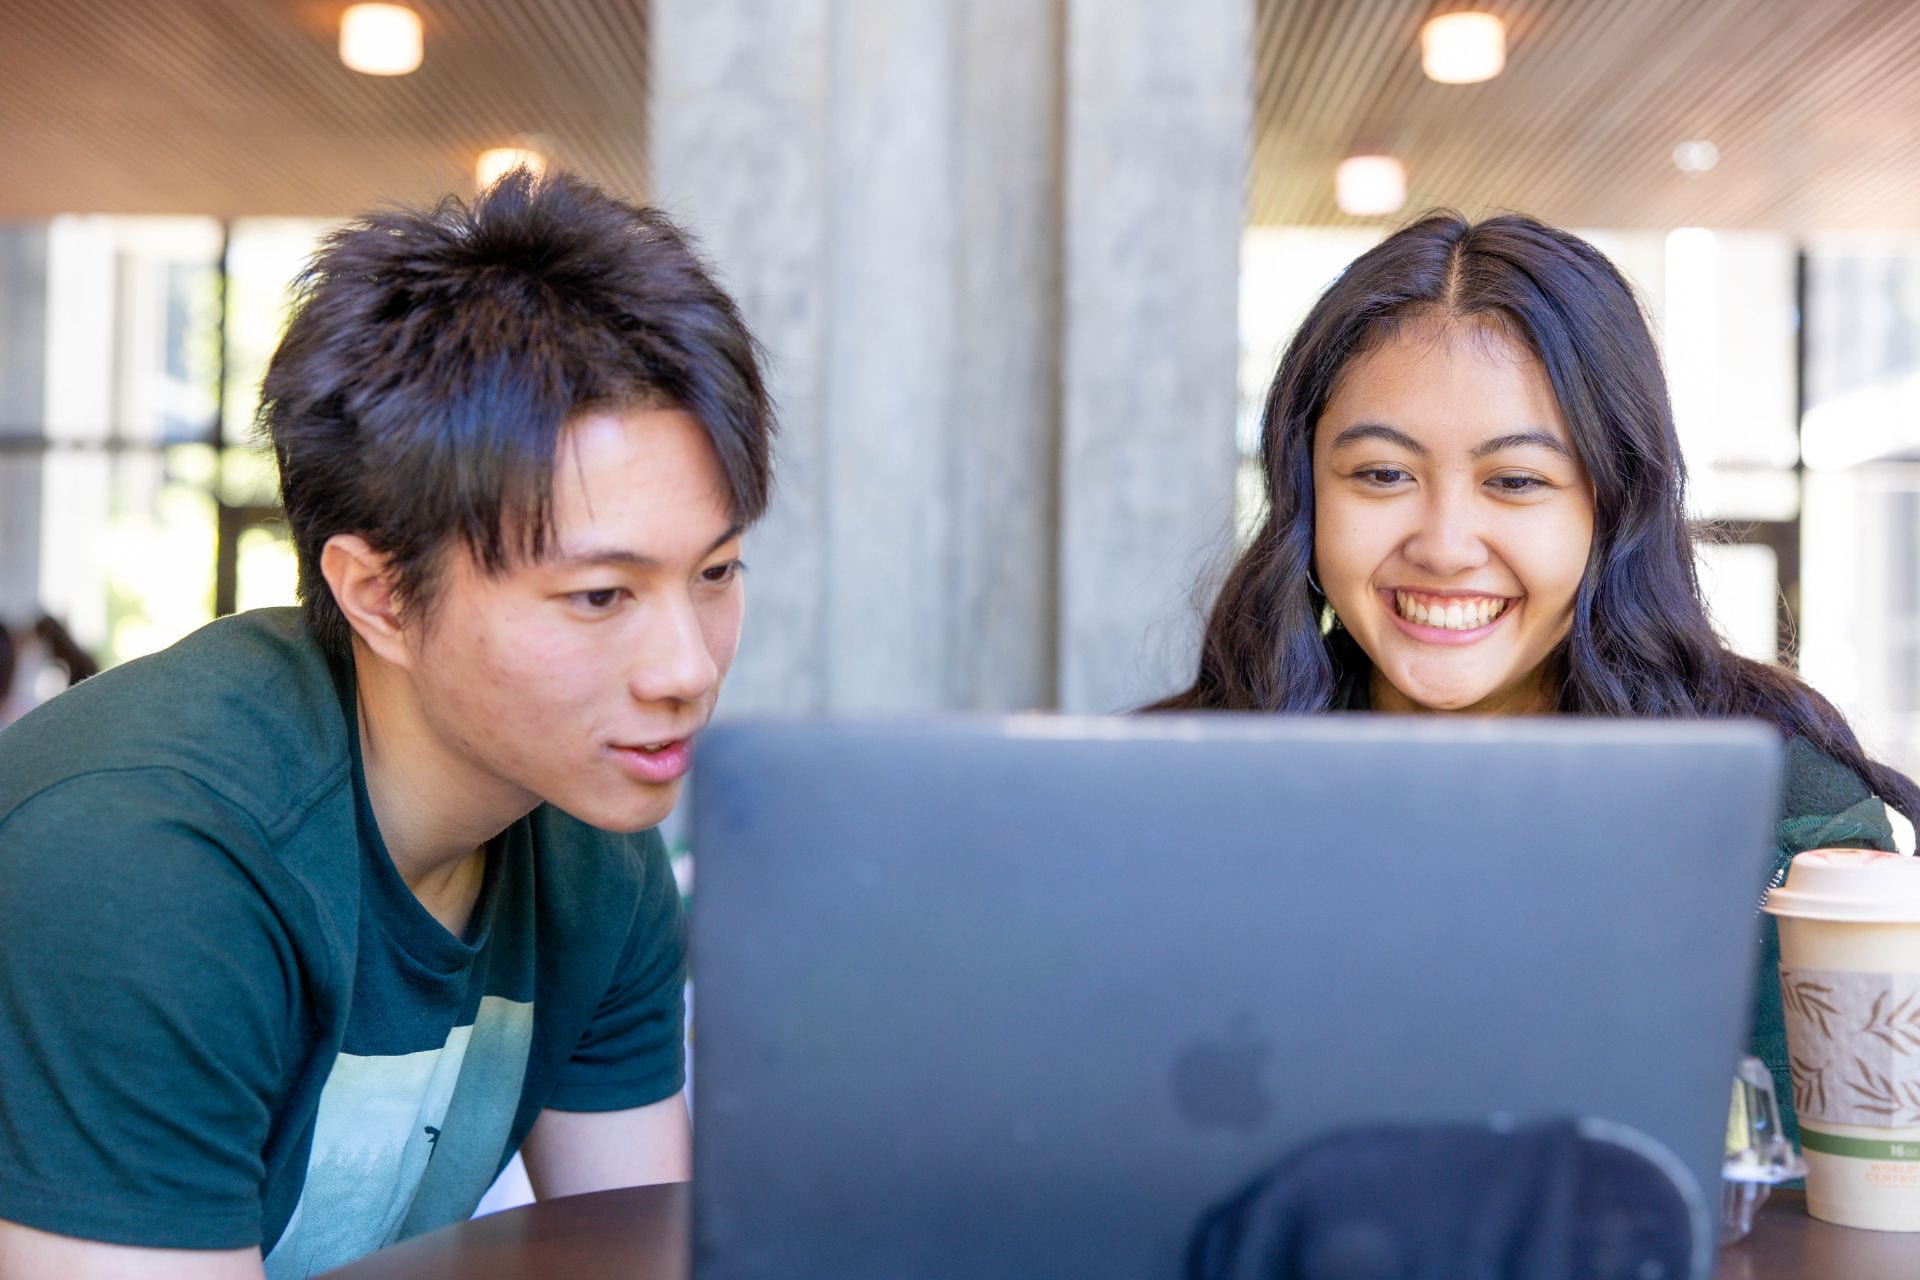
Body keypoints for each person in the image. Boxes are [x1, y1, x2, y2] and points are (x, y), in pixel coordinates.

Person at [0, 170, 773, 1279]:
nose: (688, 668)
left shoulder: (593, 842)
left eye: (716, 570)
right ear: (379, 594)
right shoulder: (145, 861)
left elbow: (647, 1253)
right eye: (599, 594)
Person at [1149, 211, 1920, 1141]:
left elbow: (1835, 1197)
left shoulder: (1780, 808)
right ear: (1306, 491)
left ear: (1615, 500)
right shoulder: (1169, 788)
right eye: (1383, 474)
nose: (1442, 547)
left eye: (1515, 482)